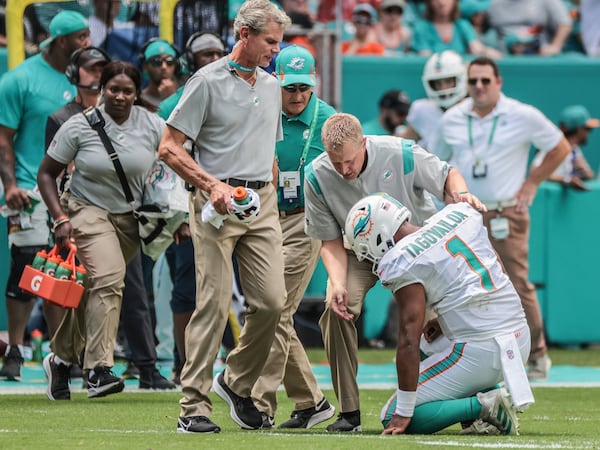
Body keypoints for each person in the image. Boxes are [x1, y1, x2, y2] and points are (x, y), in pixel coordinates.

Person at [303, 112, 485, 432]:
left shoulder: (400, 151)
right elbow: (329, 241)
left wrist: (461, 195)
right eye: (336, 163)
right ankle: (349, 412)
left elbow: (447, 175)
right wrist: (336, 282)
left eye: (349, 161)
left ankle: (471, 402)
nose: (344, 170)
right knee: (337, 309)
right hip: (359, 254)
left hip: (417, 249)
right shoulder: (316, 175)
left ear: (363, 143)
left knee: (428, 327)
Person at [157, 0, 291, 433]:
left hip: (262, 202)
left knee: (272, 303)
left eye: (279, 41)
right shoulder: (206, 81)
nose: (276, 49)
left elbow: (269, 150)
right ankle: (192, 406)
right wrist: (211, 185)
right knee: (213, 304)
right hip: (216, 203)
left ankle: (235, 382)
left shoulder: (272, 86)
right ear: (244, 35)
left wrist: (269, 193)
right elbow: (169, 147)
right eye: (270, 41)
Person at [343, 194, 533, 435]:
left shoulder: (401, 259)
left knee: (391, 414)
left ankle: (484, 406)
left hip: (482, 350)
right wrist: (446, 322)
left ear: (378, 237)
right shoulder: (458, 214)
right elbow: (497, 271)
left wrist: (404, 412)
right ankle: (484, 401)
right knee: (426, 344)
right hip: (519, 338)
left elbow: (407, 340)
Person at [433, 56, 571, 381]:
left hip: (506, 210)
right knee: (458, 284)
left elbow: (560, 147)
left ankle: (537, 354)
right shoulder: (452, 118)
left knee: (517, 283)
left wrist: (532, 181)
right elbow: (434, 160)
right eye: (473, 81)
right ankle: (464, 351)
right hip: (466, 214)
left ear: (499, 82)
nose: (479, 87)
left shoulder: (521, 114)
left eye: (485, 80)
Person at [45, 47, 175, 392]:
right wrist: (59, 218)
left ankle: (59, 358)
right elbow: (47, 174)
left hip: (131, 218)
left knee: (94, 290)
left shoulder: (152, 123)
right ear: (101, 90)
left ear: (137, 93)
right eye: (113, 89)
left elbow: (172, 167)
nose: (120, 96)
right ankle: (98, 368)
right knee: (110, 279)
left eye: (127, 91)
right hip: (86, 209)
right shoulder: (79, 125)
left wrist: (181, 217)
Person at [0, 10, 91, 382]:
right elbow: (3, 137)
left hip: (70, 189)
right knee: (26, 263)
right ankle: (17, 349)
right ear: (59, 39)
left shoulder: (85, 80)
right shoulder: (19, 79)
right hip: (27, 184)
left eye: (87, 36)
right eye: (80, 37)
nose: (86, 43)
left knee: (64, 271)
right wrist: (9, 185)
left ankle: (61, 352)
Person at [250, 45, 337, 429]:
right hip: (264, 217)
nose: (298, 96)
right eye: (291, 88)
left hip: (306, 220)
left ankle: (259, 404)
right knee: (271, 311)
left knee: (275, 310)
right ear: (276, 82)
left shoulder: (329, 120)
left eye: (305, 87)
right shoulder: (259, 110)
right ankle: (311, 402)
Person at [156, 30, 226, 385]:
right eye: (205, 54)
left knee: (230, 290)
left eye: (218, 53)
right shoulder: (172, 105)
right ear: (189, 62)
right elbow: (165, 164)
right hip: (188, 205)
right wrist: (182, 213)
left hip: (229, 205)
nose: (213, 60)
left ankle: (218, 361)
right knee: (187, 288)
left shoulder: (234, 95)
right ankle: (185, 363)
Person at [401, 50, 466, 150]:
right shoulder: (422, 109)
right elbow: (402, 148)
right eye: (437, 83)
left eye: (448, 81)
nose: (443, 88)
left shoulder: (471, 110)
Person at [531, 105, 597, 190]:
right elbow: (534, 172)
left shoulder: (575, 150)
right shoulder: (554, 146)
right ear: (579, 129)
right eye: (587, 129)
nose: (588, 133)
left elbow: (589, 175)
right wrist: (566, 180)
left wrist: (586, 173)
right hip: (544, 199)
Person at [411, 0, 502, 58]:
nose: (441, 2)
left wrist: (487, 52)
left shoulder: (462, 25)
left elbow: (476, 47)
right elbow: (425, 57)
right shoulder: (421, 27)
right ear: (429, 3)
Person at [487, 0, 572, 55]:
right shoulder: (492, 3)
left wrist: (555, 46)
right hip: (504, 55)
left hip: (538, 54)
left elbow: (564, 24)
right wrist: (484, 49)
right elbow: (478, 26)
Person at [140, 38, 181, 109]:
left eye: (169, 61)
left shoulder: (185, 96)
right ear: (145, 67)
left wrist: (173, 98)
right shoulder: (138, 101)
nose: (164, 67)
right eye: (156, 61)